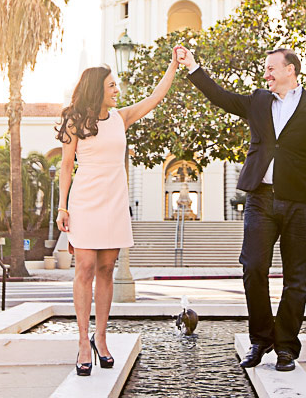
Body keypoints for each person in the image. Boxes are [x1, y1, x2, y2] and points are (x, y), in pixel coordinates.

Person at [175, 46, 306, 372]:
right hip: (260, 199)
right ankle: (261, 339)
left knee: (296, 279)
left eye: (271, 68)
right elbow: (220, 96)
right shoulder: (257, 101)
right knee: (253, 267)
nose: (266, 74)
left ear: (290, 70)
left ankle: (285, 347)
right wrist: (194, 67)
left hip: (301, 201)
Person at [55, 50, 179, 376]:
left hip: (114, 201)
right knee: (84, 267)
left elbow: (156, 96)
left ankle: (101, 337)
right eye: (111, 85)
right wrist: (62, 205)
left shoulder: (121, 118)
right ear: (98, 89)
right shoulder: (74, 121)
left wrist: (173, 65)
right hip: (84, 201)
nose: (116, 90)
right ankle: (83, 341)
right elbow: (66, 166)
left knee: (107, 269)